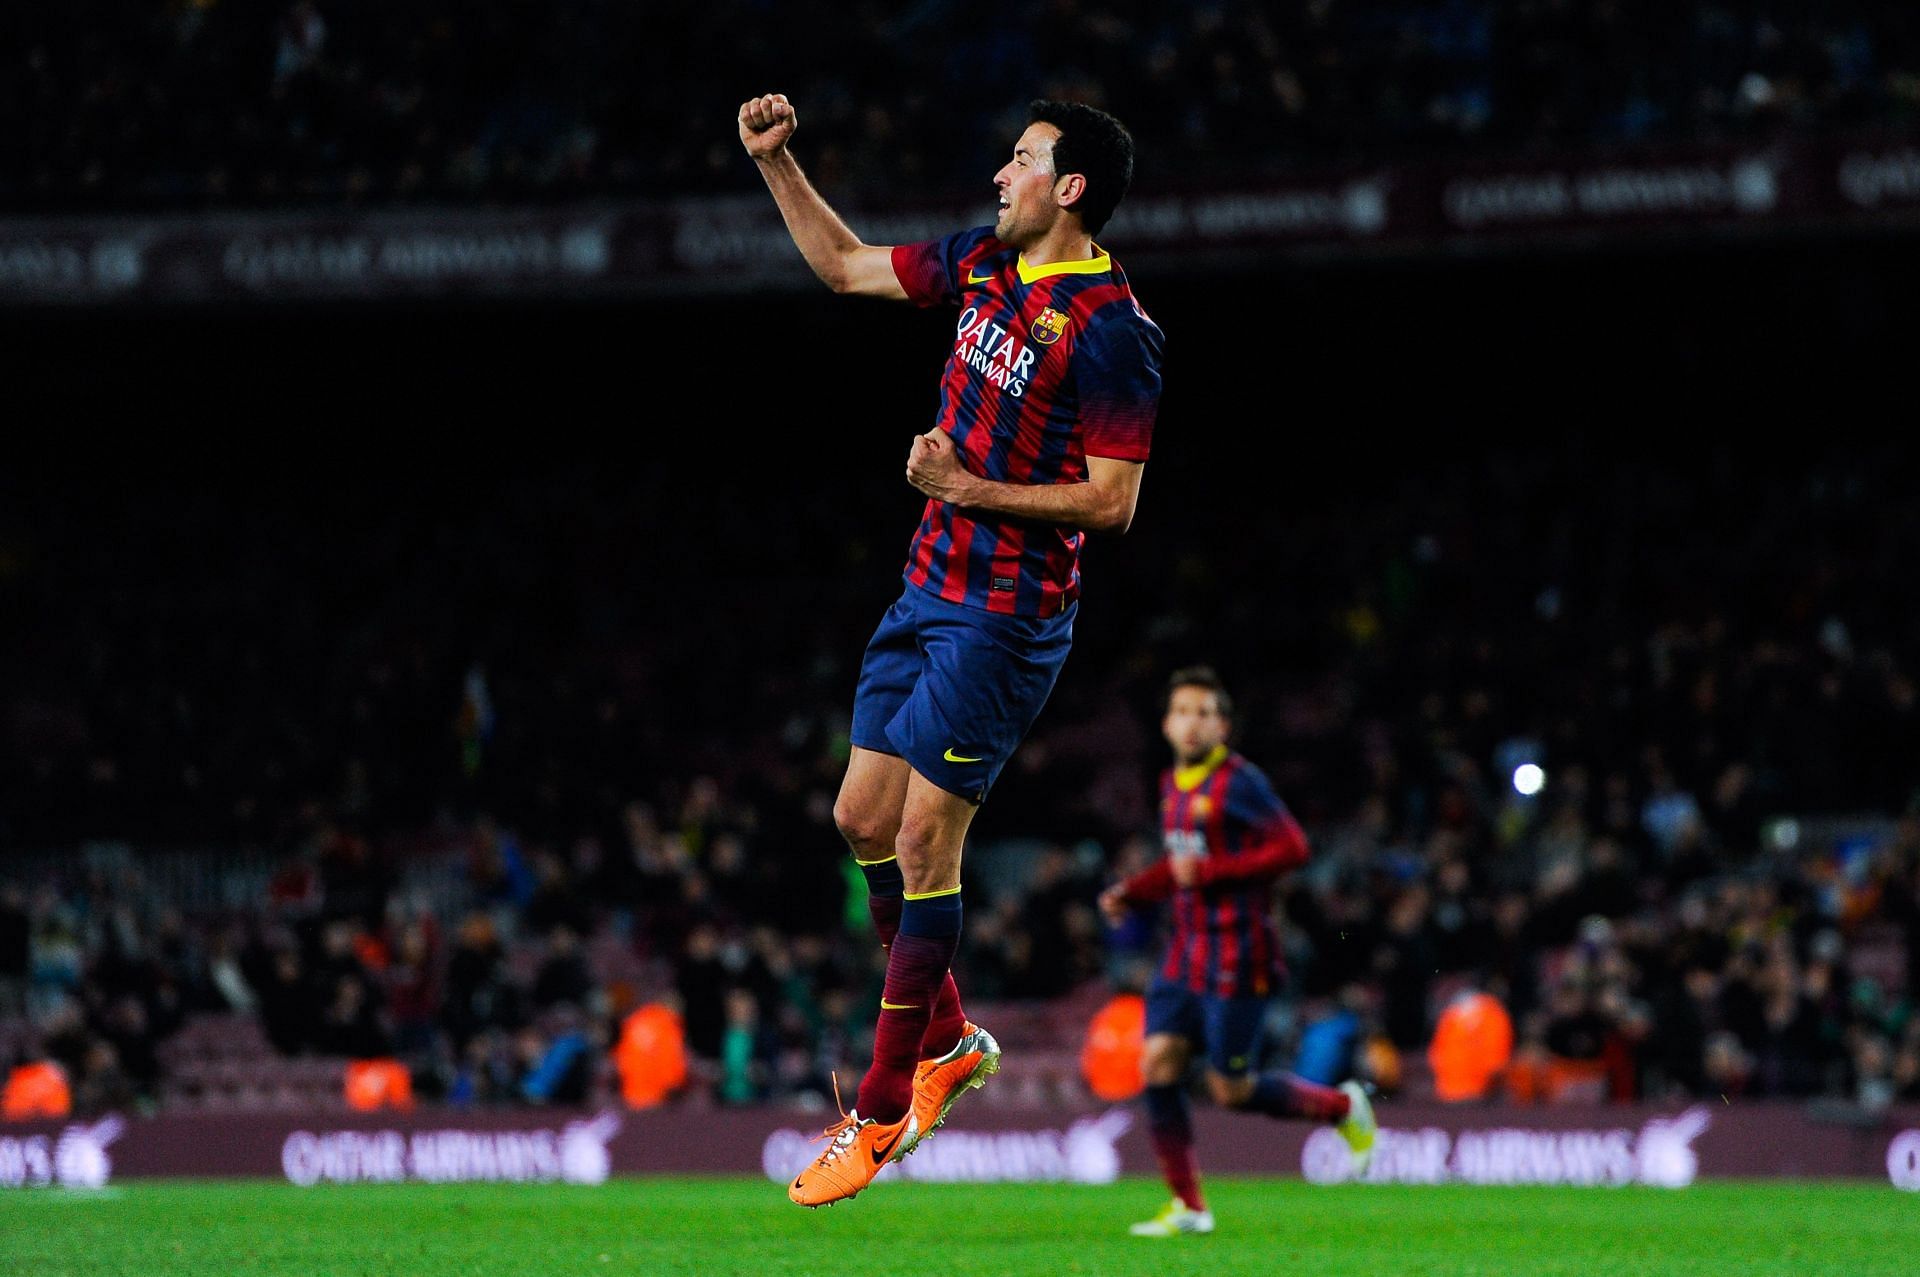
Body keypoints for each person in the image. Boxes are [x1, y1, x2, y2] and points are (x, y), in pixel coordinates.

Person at [738, 90, 1164, 1208]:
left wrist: (964, 485)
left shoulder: (1117, 332)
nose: (998, 176)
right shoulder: (981, 262)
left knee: (926, 837)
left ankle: (880, 1112)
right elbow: (845, 269)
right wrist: (778, 163)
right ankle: (953, 1039)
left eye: (1019, 160)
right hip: (927, 589)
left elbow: (1114, 504)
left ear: (1069, 188)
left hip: (1010, 616)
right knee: (857, 820)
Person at [1099, 667, 1376, 1237]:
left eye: (1205, 712)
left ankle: (1341, 1108)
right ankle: (1189, 1207)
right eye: (1182, 712)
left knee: (1231, 1089)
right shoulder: (1171, 783)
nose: (1192, 723)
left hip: (1239, 949)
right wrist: (1132, 891)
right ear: (1167, 723)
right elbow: (1181, 867)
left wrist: (1213, 871)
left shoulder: (1241, 781)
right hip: (1184, 947)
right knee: (1157, 1061)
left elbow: (1294, 846)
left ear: (1223, 725)